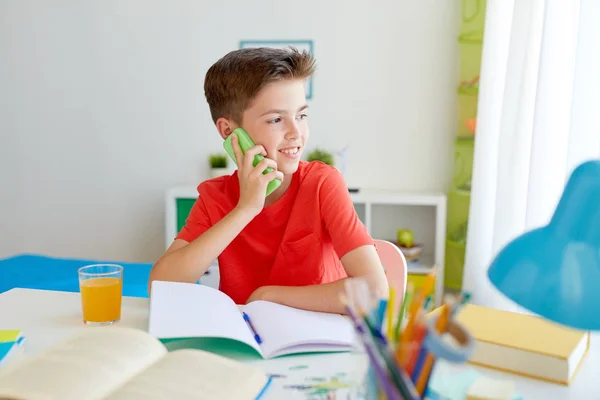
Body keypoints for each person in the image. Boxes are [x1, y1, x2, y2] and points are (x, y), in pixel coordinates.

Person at [149, 47, 388, 314]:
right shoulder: (216, 197)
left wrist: (269, 295)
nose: (296, 132)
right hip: (245, 344)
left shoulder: (322, 184)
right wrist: (245, 209)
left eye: (301, 115)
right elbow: (160, 286)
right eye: (276, 119)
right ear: (229, 132)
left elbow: (373, 292)